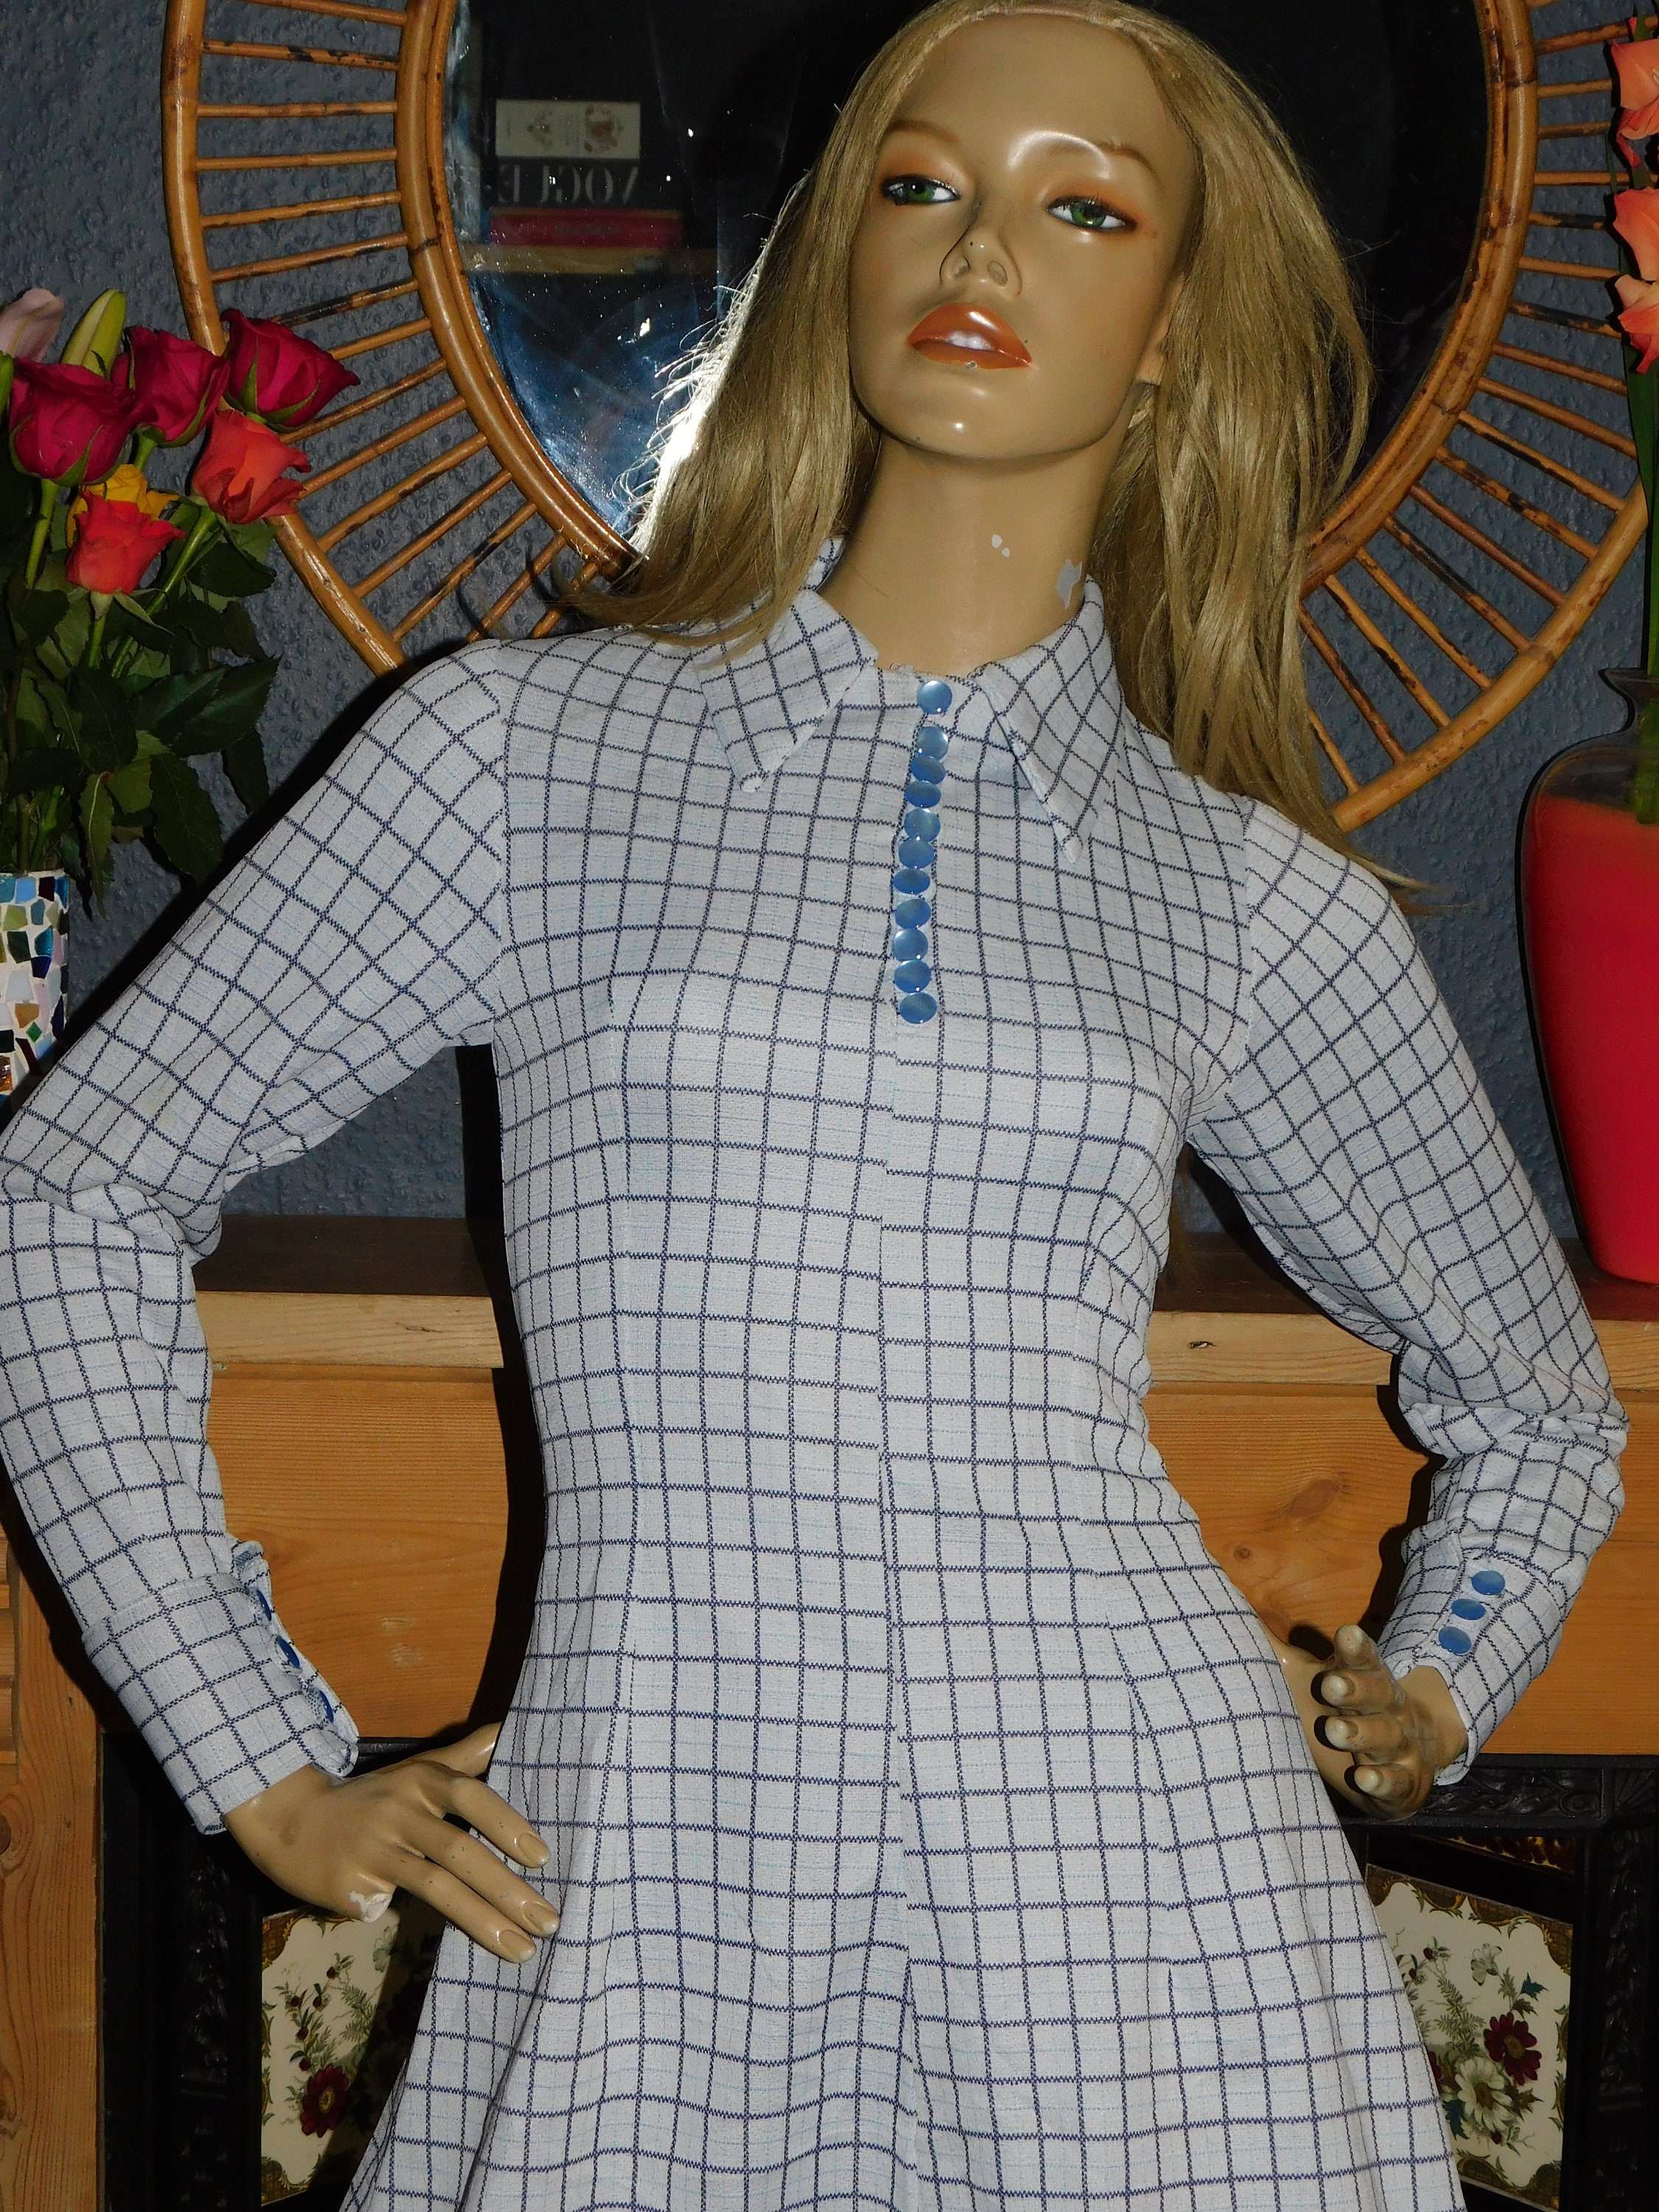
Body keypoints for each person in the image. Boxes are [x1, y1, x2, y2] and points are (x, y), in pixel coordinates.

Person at [0, 2, 1624, 2205]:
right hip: (646, 1891)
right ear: (838, 244)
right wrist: (253, 1752)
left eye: (1084, 210)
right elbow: (71, 1189)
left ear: (1171, 329)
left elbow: (1539, 1400)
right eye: (918, 181)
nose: (982, 248)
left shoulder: (1246, 897)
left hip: (1144, 1912)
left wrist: (1439, 1679)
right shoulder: (520, 760)